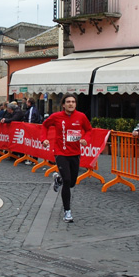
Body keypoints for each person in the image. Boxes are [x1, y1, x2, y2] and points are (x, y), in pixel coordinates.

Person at [41, 93, 91, 223]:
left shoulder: (81, 116)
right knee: (68, 181)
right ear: (63, 104)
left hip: (75, 153)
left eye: (73, 102)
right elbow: (44, 125)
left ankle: (58, 179)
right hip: (60, 152)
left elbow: (89, 130)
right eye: (68, 101)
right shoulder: (56, 117)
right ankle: (67, 212)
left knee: (72, 182)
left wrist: (85, 138)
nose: (71, 104)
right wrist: (44, 139)